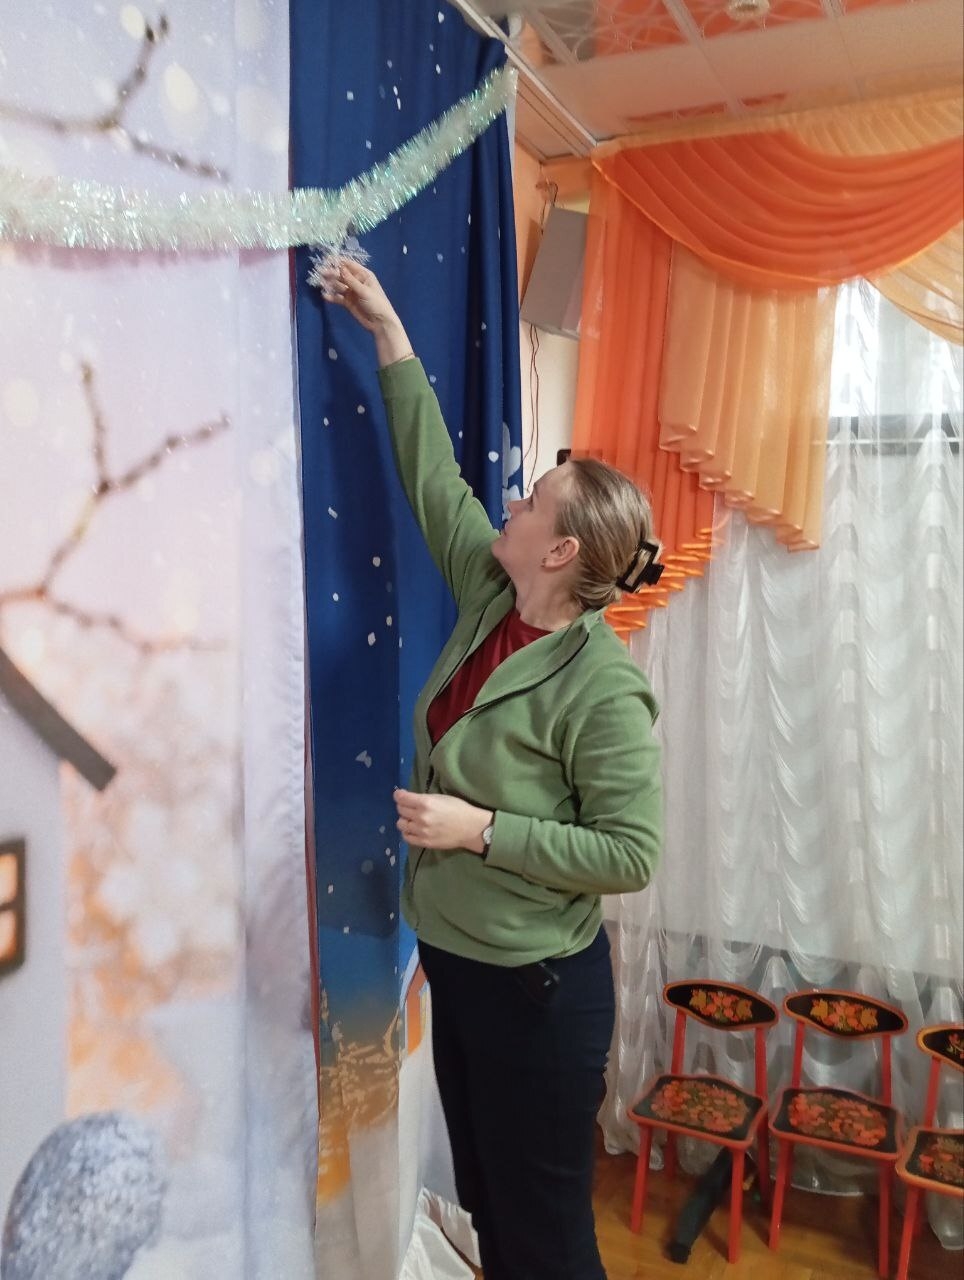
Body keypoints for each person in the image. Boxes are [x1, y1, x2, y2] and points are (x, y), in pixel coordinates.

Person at [322, 260, 663, 1280]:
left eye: (532, 501)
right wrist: (387, 329)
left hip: (538, 990)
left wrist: (480, 830)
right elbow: (435, 478)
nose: (509, 501)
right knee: (490, 1208)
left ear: (560, 553)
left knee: (544, 1235)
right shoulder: (492, 595)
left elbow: (630, 852)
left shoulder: (602, 686)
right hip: (462, 962)